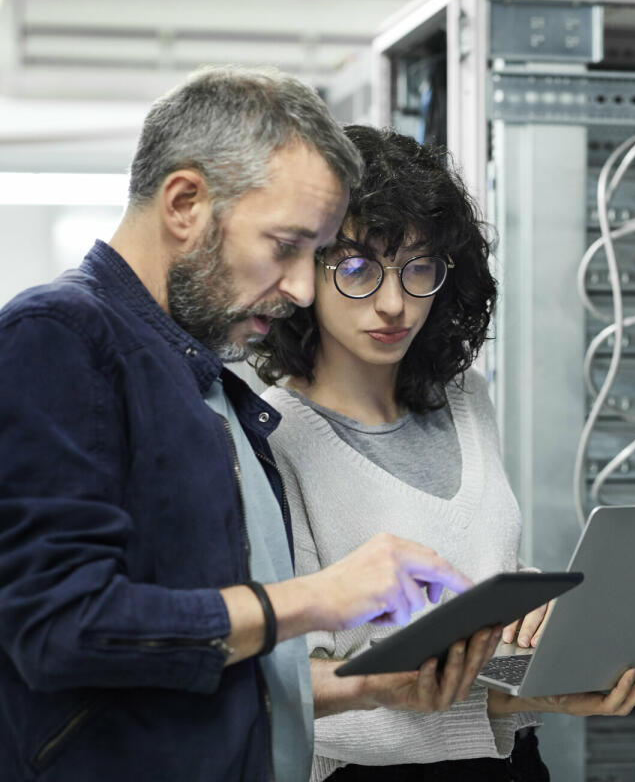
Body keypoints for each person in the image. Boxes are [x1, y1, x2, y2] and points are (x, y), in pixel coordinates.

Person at [0, 67, 499, 782]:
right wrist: (320, 598)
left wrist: (366, 685)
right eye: (286, 246)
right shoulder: (58, 337)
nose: (301, 288)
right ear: (184, 203)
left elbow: (199, 665)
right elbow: (58, 629)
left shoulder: (198, 376)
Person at [252, 125, 635, 782]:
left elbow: (486, 568)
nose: (395, 302)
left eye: (419, 267)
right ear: (302, 272)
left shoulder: (466, 399)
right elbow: (297, 693)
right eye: (358, 268)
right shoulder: (274, 436)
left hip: (515, 764)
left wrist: (538, 620)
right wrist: (514, 701)